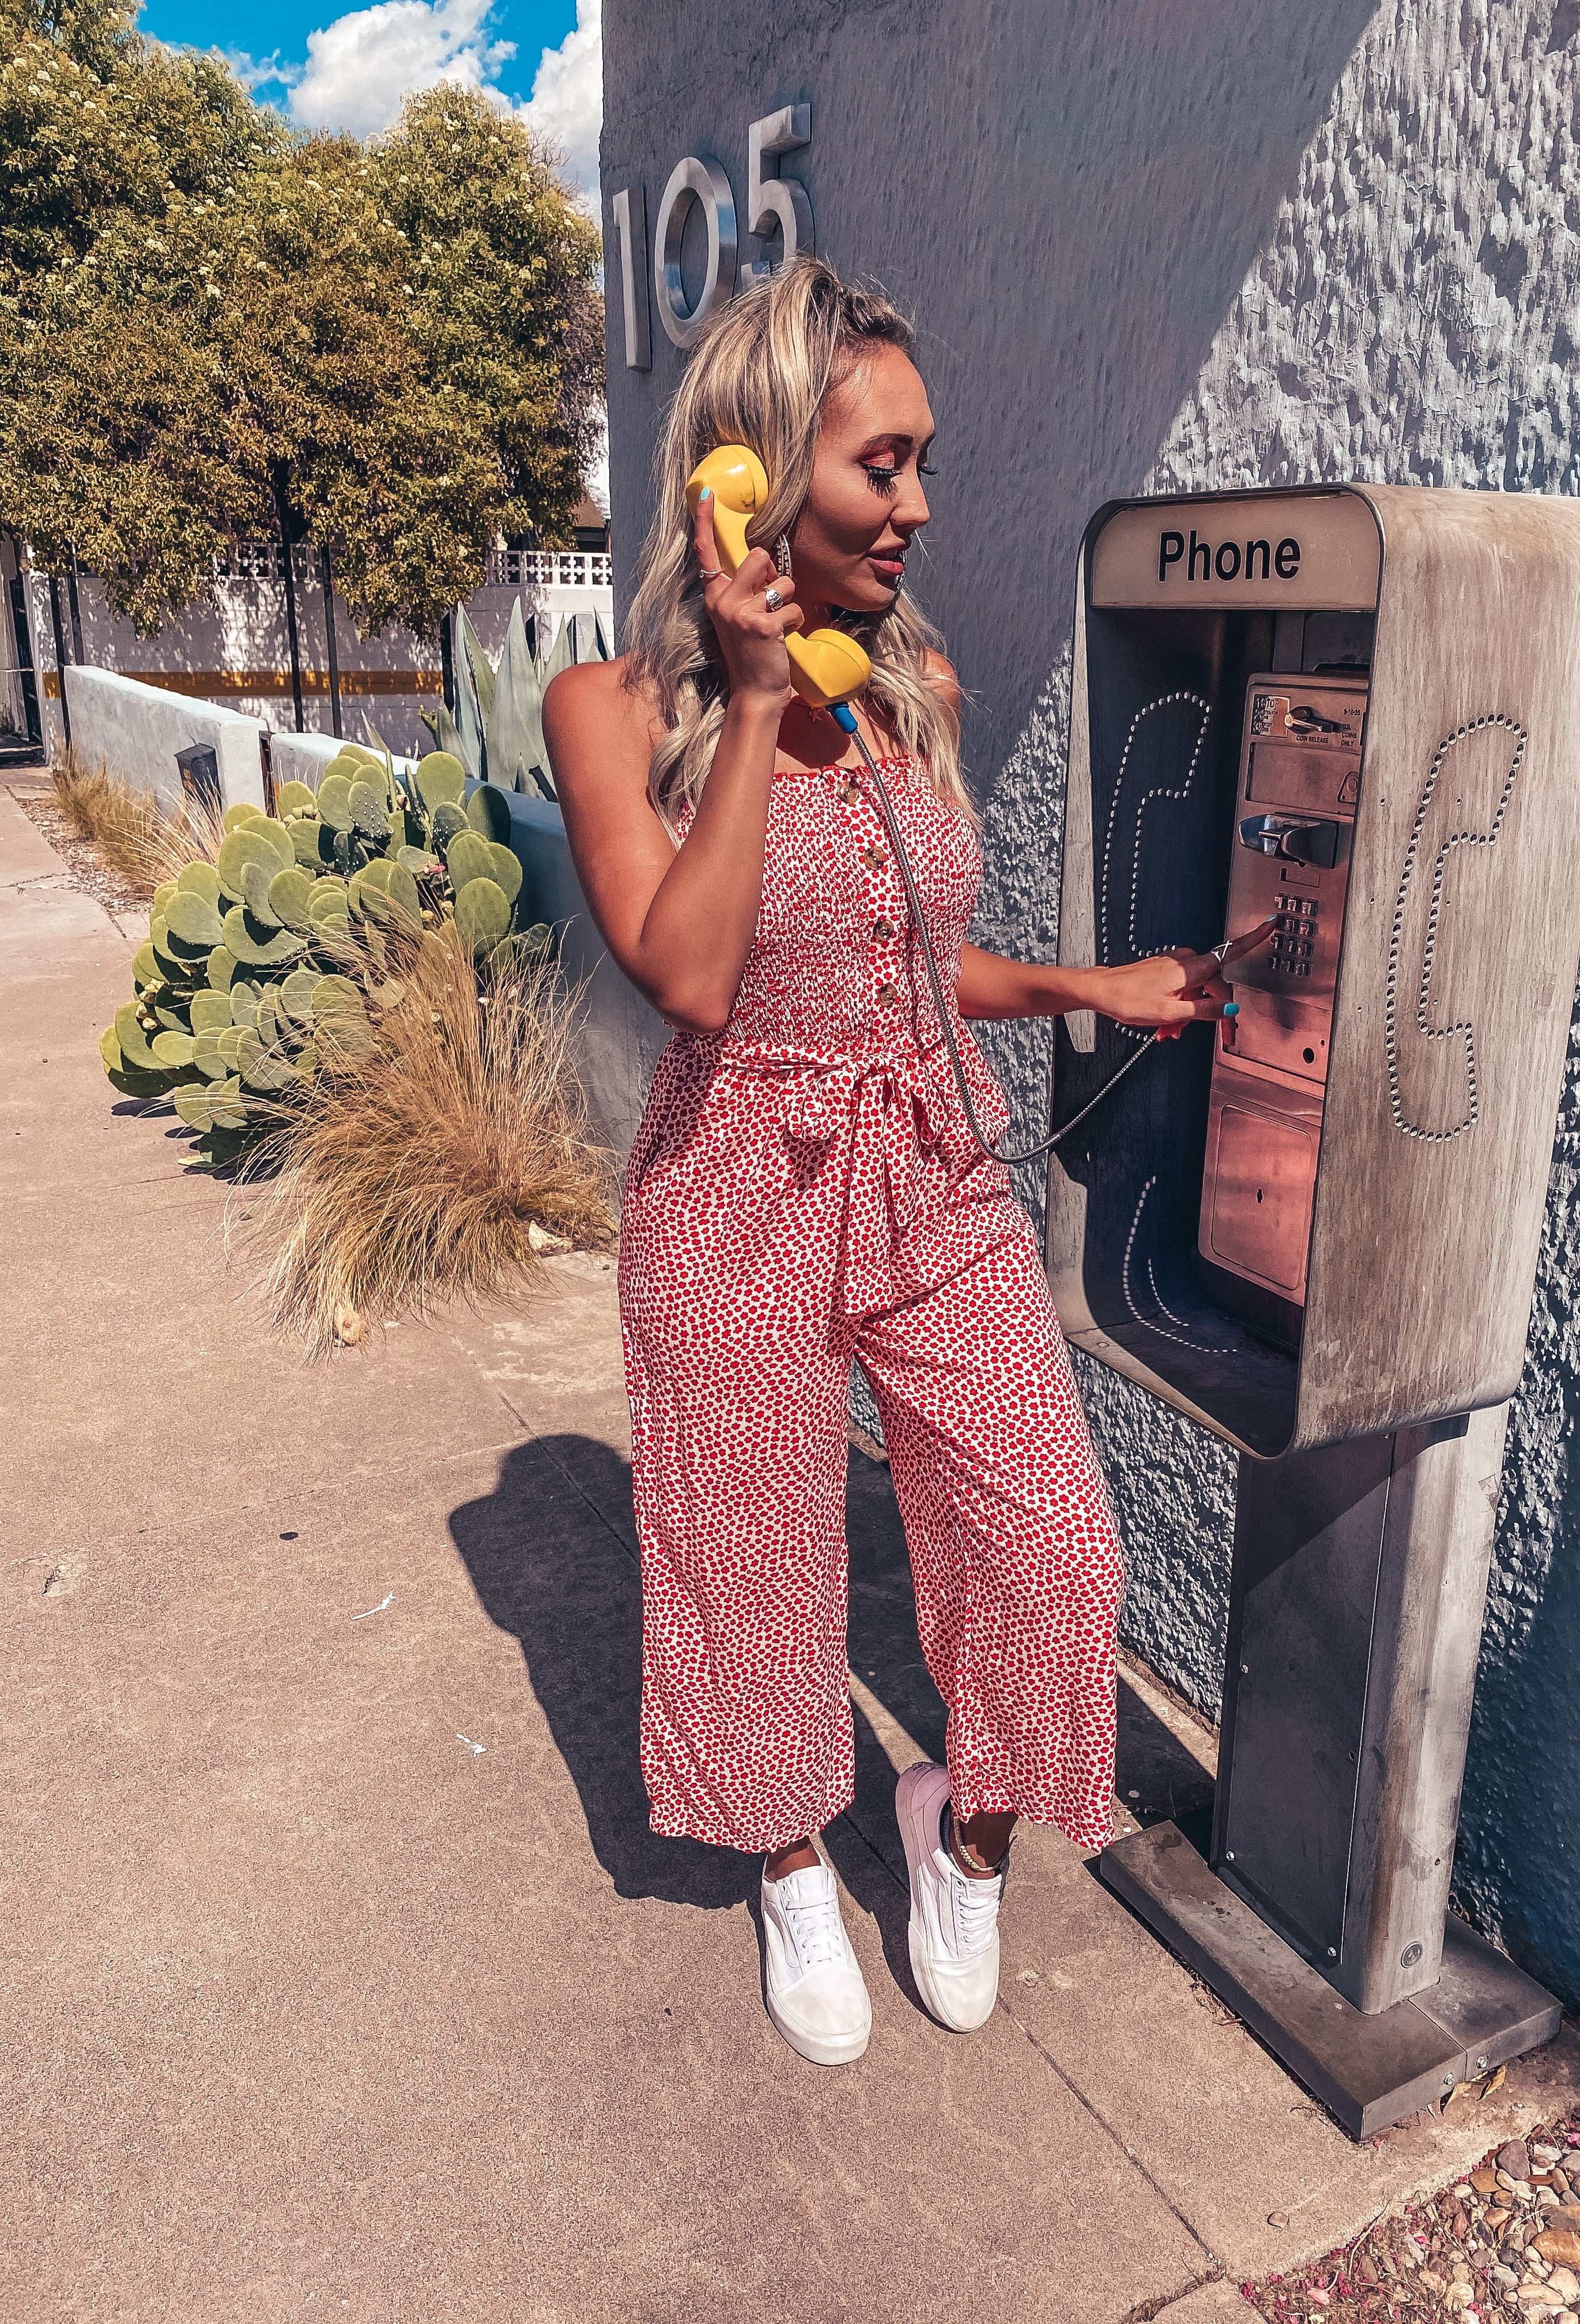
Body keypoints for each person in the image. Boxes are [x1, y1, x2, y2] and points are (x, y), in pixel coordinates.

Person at [543, 256, 1270, 2069]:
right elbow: (702, 972)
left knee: (1054, 1549)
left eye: (925, 462)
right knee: (752, 1554)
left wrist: (1088, 986)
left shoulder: (915, 675)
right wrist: (755, 690)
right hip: (734, 1181)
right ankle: (789, 1853)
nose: (923, 505)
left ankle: (966, 1826)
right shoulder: (608, 712)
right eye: (883, 466)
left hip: (927, 1165)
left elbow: (895, 947)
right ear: (757, 473)